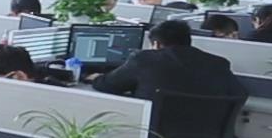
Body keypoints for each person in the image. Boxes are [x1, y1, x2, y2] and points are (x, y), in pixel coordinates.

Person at [93, 21, 243, 102]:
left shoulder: (144, 59)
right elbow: (239, 94)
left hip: (154, 135)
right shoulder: (219, 63)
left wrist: (95, 78)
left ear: (157, 44)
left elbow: (108, 85)